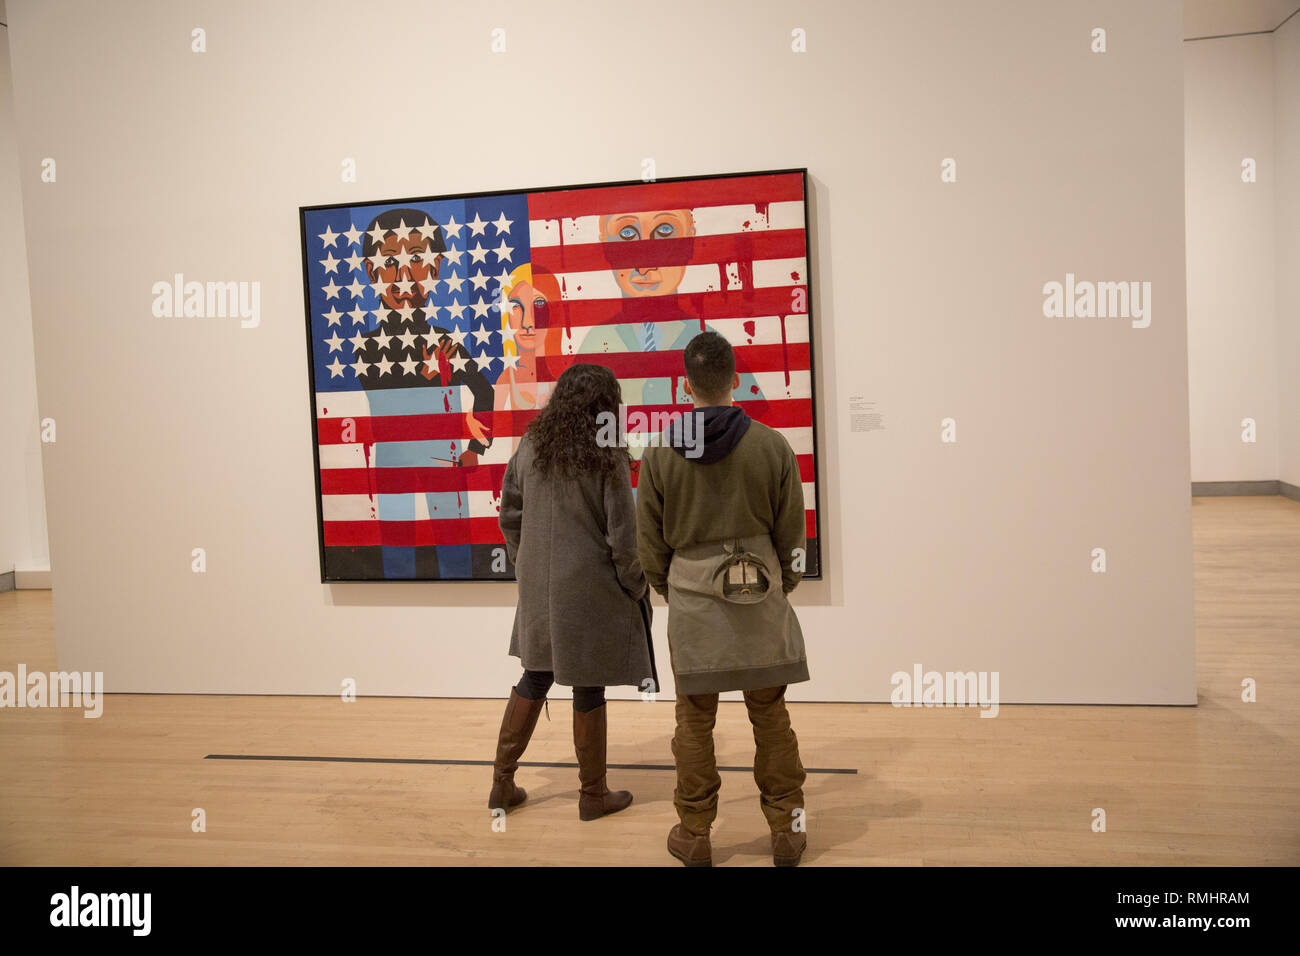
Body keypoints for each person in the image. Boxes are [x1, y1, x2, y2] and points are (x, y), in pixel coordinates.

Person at [636, 331, 810, 867]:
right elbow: (792, 539)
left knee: (693, 722)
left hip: (693, 606)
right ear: (736, 380)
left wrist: (675, 588)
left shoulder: (660, 452)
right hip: (759, 600)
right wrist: (781, 586)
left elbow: (649, 544)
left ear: (685, 386)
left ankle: (695, 834)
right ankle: (785, 830)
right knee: (771, 716)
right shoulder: (773, 445)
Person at [490, 363, 657, 820]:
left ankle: (502, 783)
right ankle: (592, 794)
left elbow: (509, 514)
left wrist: (528, 563)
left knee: (535, 675)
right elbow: (623, 534)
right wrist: (636, 584)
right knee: (587, 685)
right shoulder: (607, 451)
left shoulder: (530, 444)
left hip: (539, 586)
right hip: (587, 586)